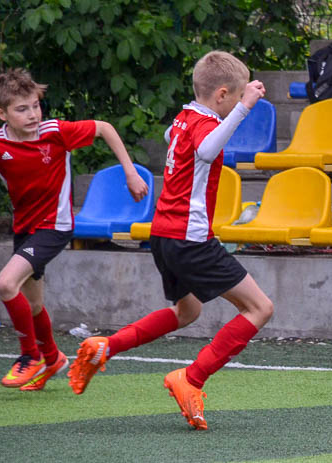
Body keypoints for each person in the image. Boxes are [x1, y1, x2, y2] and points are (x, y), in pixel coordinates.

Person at [68, 51, 273, 431]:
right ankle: (192, 379)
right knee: (259, 308)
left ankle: (104, 347)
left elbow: (172, 136)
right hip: (189, 238)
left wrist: (233, 107)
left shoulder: (183, 118)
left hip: (164, 233)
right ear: (223, 95)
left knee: (187, 312)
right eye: (238, 95)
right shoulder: (208, 122)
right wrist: (244, 108)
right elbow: (208, 150)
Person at [0, 68, 148, 391]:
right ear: (1, 114)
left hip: (55, 226)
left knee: (6, 284)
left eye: (35, 105)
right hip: (26, 228)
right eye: (22, 109)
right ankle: (53, 359)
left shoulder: (55, 132)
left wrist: (130, 173)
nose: (33, 114)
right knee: (32, 305)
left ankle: (29, 356)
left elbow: (104, 128)